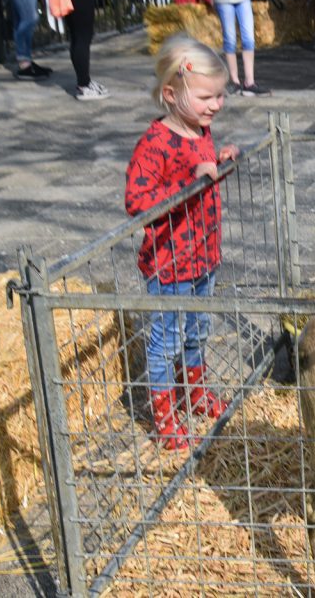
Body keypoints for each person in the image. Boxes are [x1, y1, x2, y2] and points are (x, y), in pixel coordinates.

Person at [125, 35, 239, 450]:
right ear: (171, 95)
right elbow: (137, 201)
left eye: (220, 96)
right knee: (166, 341)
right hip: (170, 264)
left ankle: (194, 392)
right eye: (207, 96)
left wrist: (220, 162)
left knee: (198, 331)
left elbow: (202, 175)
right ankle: (164, 417)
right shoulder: (155, 144)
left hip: (203, 256)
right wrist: (188, 184)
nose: (216, 105)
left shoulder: (199, 130)